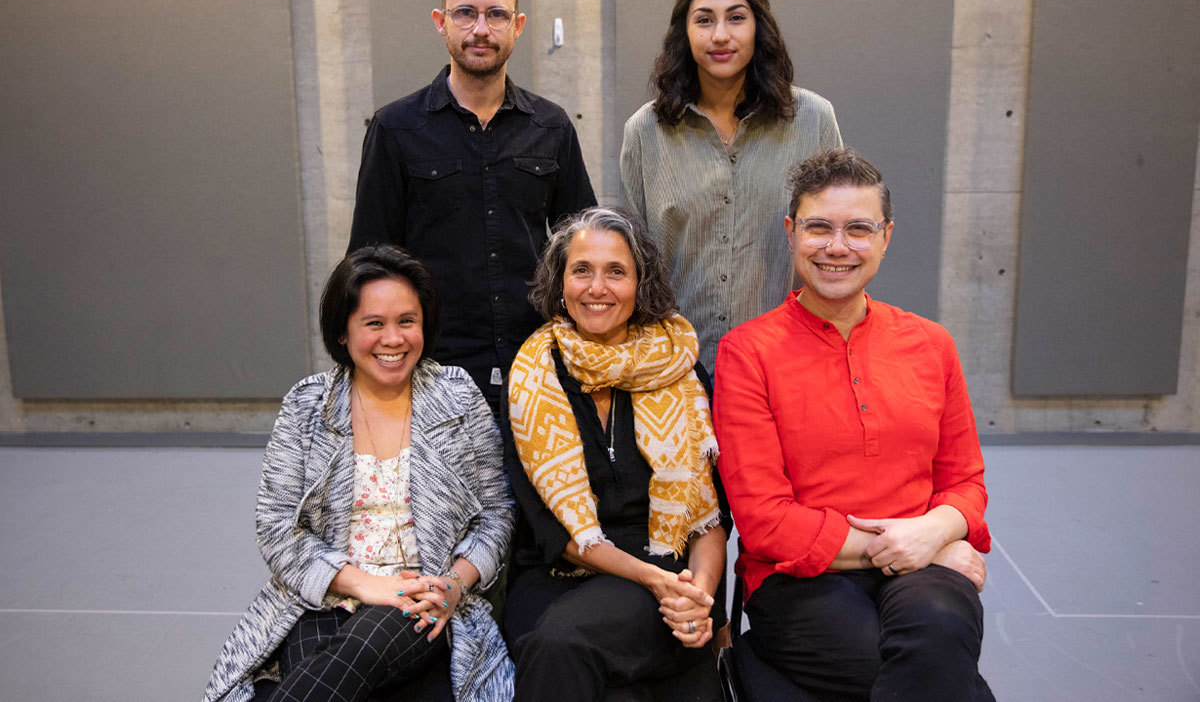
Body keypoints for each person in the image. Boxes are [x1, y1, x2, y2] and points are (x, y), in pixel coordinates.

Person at [713, 148, 993, 700]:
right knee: (903, 670)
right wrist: (926, 544)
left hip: (920, 564)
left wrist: (935, 533)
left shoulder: (932, 345)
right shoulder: (747, 352)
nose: (837, 247)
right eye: (820, 227)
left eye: (859, 229)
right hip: (797, 579)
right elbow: (764, 520)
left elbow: (965, 481)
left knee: (938, 633)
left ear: (886, 237)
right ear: (792, 233)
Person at [203, 245, 514, 702]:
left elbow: (496, 516)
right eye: (374, 323)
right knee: (322, 670)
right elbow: (277, 528)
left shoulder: (457, 397)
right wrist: (365, 584)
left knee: (350, 657)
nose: (394, 339)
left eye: (407, 321)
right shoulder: (307, 405)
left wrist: (456, 583)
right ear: (343, 333)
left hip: (421, 594)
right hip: (329, 591)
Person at [348, 0, 596, 416]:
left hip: (537, 371)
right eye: (466, 13)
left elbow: (583, 253)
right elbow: (368, 262)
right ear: (441, 23)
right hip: (432, 375)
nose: (480, 28)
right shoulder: (395, 129)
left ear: (517, 25)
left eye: (496, 14)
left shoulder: (552, 127)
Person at [503, 207, 728, 700]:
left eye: (616, 272)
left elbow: (709, 520)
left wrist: (699, 596)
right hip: (560, 576)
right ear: (559, 283)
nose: (597, 288)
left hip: (667, 571)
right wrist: (653, 581)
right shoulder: (531, 379)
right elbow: (554, 531)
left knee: (565, 647)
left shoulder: (681, 374)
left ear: (640, 284)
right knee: (564, 646)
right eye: (581, 270)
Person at [615, 0, 843, 373]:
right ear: (683, 32)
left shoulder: (813, 120)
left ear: (759, 27)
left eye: (736, 18)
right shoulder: (645, 132)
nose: (720, 35)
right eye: (704, 20)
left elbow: (835, 248)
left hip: (787, 368)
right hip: (676, 374)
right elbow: (632, 267)